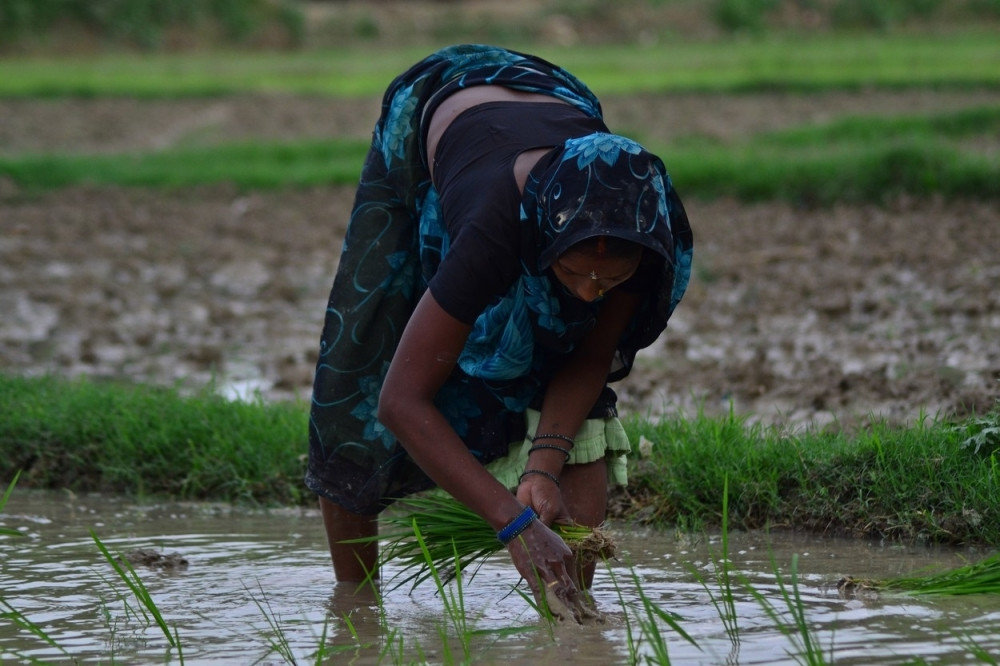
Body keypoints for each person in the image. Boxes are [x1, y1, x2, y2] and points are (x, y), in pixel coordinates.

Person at [305, 44, 693, 620]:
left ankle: (571, 616)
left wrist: (542, 469)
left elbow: (589, 358)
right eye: (574, 272)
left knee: (562, 339)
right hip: (433, 112)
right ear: (545, 240)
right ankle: (355, 605)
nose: (591, 291)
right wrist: (515, 525)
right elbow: (400, 402)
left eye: (609, 280)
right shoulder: (492, 230)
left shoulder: (638, 234)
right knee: (360, 366)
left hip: (556, 100)